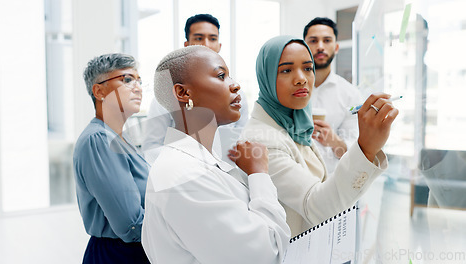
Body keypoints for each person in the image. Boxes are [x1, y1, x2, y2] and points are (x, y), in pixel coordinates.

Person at [141, 45, 290, 264]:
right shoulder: (183, 174)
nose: (235, 84)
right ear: (183, 93)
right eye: (221, 76)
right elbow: (267, 254)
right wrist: (259, 174)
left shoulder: (199, 165)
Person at [240, 35, 399, 236]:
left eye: (308, 68)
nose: (301, 79)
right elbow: (316, 206)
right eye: (286, 70)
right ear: (267, 77)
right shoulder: (261, 140)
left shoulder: (296, 124)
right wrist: (366, 148)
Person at [142, 13, 249, 164]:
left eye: (212, 38)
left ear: (219, 45)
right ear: (187, 45)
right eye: (199, 38)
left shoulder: (237, 95)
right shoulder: (167, 97)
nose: (206, 44)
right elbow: (151, 148)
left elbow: (241, 140)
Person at [73, 53, 150, 263]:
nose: (138, 87)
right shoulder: (99, 140)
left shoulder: (118, 138)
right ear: (99, 91)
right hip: (120, 254)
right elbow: (130, 225)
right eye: (127, 80)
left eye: (139, 81)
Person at [303, 17, 362, 174]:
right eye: (313, 41)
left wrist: (333, 141)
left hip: (331, 183)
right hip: (292, 179)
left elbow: (354, 155)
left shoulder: (351, 95)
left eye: (327, 40)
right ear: (304, 47)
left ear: (336, 47)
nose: (320, 46)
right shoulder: (287, 88)